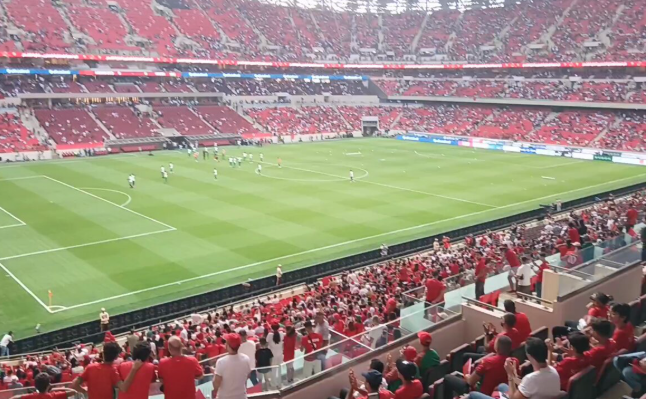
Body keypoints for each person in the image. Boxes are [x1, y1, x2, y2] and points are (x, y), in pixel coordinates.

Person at [448, 336, 513, 398]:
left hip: (482, 394)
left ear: (497, 348)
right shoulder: (514, 362)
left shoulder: (487, 362)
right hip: (501, 394)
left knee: (447, 378)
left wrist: (467, 376)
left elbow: (470, 382)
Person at [71, 342, 142, 399]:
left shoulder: (90, 367)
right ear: (116, 357)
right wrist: (134, 369)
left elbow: (74, 384)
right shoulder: (113, 371)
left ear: (103, 353)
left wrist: (85, 391)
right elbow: (124, 388)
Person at [213, 333, 252, 399]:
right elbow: (247, 376)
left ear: (227, 345)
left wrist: (215, 373)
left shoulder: (221, 362)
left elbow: (216, 385)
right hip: (241, 397)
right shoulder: (246, 359)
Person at [267, 323, 284, 389]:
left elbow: (266, 341)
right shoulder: (281, 333)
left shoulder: (270, 335)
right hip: (280, 354)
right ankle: (279, 384)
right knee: (280, 369)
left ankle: (273, 384)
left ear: (271, 328)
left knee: (273, 370)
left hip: (273, 355)